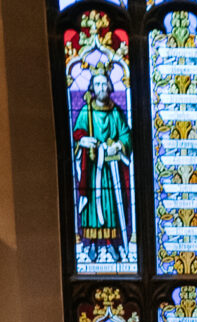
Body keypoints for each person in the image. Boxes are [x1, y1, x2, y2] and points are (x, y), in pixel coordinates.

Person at [72, 67, 132, 263]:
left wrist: (119, 145)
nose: (101, 87)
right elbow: (77, 132)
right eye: (97, 84)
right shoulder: (85, 111)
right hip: (90, 168)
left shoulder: (115, 112)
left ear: (109, 86)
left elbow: (125, 135)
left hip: (110, 169)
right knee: (91, 206)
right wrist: (83, 141)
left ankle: (111, 243)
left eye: (104, 83)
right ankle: (92, 246)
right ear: (92, 88)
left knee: (111, 207)